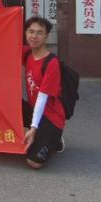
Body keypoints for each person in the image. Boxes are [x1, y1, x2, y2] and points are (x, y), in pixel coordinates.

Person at [22, 16, 65, 169]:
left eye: (39, 33)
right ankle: (39, 135)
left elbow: (42, 98)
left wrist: (33, 130)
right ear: (26, 33)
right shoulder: (27, 53)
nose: (34, 36)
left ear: (46, 36)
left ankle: (55, 139)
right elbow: (3, 47)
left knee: (34, 162)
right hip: (34, 110)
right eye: (31, 31)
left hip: (50, 117)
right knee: (7, 103)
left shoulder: (51, 63)